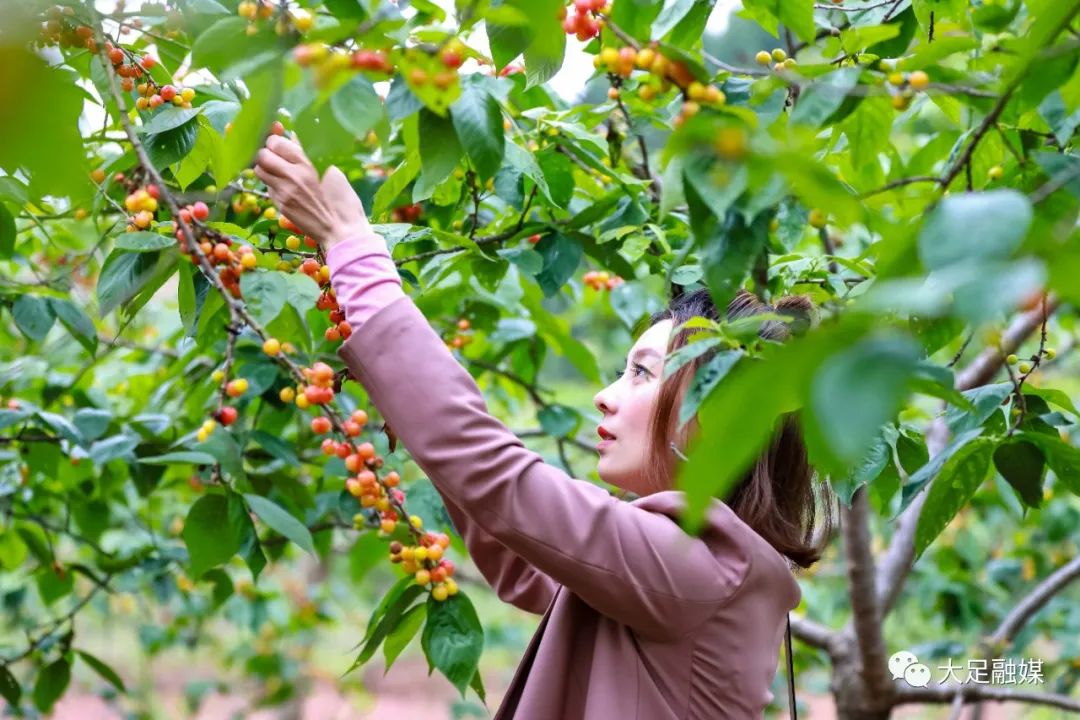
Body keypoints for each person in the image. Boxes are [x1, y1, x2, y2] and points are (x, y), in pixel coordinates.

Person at [254, 135, 835, 719]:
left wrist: (350, 245)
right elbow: (522, 556)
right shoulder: (669, 567)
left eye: (641, 374)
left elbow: (501, 479)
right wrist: (410, 399)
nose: (605, 398)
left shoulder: (706, 564)